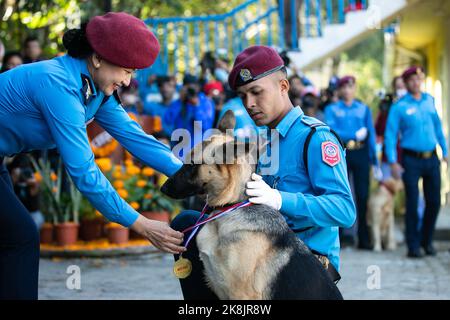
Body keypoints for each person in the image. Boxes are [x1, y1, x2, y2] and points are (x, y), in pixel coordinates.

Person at [0, 12, 185, 300]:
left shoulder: (97, 90)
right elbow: (84, 172)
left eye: (132, 73)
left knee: (16, 237)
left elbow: (137, 139)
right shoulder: (59, 84)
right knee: (20, 237)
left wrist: (192, 175)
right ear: (97, 58)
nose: (127, 81)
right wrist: (140, 223)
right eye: (126, 70)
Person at [170, 45, 356, 299]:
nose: (249, 104)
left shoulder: (316, 138)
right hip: (258, 246)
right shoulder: (263, 141)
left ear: (283, 86)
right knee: (187, 225)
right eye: (243, 95)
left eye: (256, 92)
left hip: (302, 264)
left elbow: (344, 211)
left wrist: (280, 199)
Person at [384, 66, 448, 258]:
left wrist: (445, 151)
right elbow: (390, 135)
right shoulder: (399, 106)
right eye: (411, 80)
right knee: (411, 203)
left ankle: (426, 241)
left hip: (431, 158)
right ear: (406, 82)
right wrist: (393, 162)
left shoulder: (429, 101)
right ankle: (413, 245)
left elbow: (437, 128)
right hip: (410, 159)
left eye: (418, 79)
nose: (416, 82)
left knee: (434, 202)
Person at [324, 75, 380, 250]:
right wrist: (353, 134)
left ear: (355, 89)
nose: (348, 90)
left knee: (363, 196)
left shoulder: (363, 109)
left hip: (361, 152)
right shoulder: (332, 109)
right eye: (344, 87)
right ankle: (338, 238)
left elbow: (370, 133)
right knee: (340, 193)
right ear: (340, 90)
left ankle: (363, 238)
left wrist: (375, 161)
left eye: (351, 87)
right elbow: (332, 131)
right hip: (341, 152)